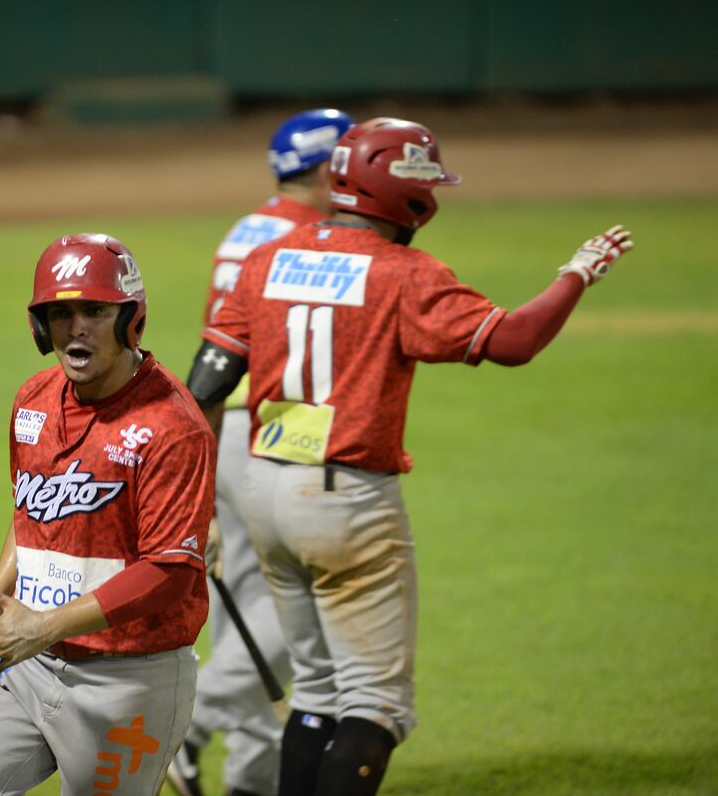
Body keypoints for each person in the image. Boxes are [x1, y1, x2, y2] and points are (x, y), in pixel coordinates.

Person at [184, 117, 633, 796]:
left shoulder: (269, 257)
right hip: (346, 503)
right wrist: (575, 275)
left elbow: (206, 383)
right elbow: (512, 340)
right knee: (374, 702)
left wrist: (195, 504)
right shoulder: (404, 273)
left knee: (317, 689)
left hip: (261, 487)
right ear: (410, 197)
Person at [0, 233, 217, 794]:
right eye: (59, 312)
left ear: (130, 320)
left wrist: (43, 626)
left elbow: (171, 572)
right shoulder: (32, 401)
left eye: (93, 310)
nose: (75, 326)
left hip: (129, 684)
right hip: (24, 662)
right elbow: (30, 515)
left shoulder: (171, 427)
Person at [170, 108, 355, 796]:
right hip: (276, 428)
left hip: (222, 428)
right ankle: (191, 718)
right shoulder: (312, 234)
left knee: (246, 608)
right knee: (301, 597)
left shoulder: (250, 225)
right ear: (325, 166)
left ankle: (252, 777)